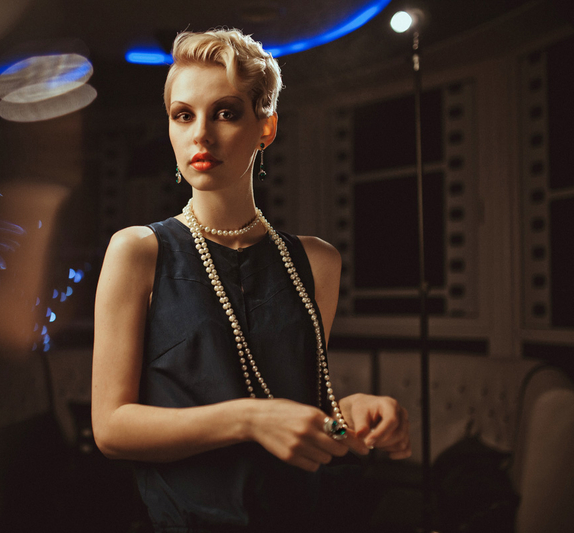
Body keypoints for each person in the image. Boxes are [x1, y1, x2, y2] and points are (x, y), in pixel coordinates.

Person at [92, 28, 411, 532]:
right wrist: (247, 419)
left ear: (266, 127)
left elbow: (303, 409)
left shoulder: (317, 262)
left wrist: (353, 416)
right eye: (183, 115)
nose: (201, 134)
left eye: (225, 112)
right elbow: (111, 428)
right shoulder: (137, 251)